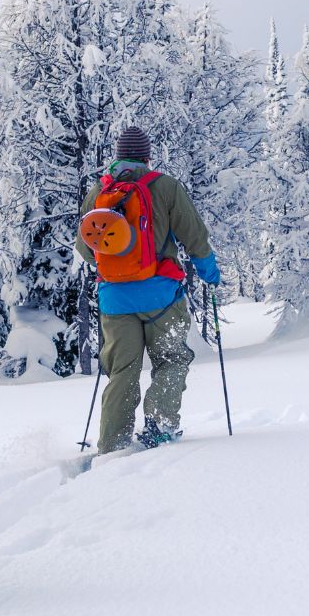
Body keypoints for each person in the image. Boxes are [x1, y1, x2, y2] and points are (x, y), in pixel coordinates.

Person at [78, 126, 220, 452]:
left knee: (122, 372)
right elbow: (194, 236)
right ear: (146, 156)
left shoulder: (98, 193)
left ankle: (113, 444)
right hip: (161, 297)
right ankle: (159, 428)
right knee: (171, 360)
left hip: (114, 300)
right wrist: (209, 272)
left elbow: (86, 249)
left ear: (117, 157)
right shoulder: (166, 187)